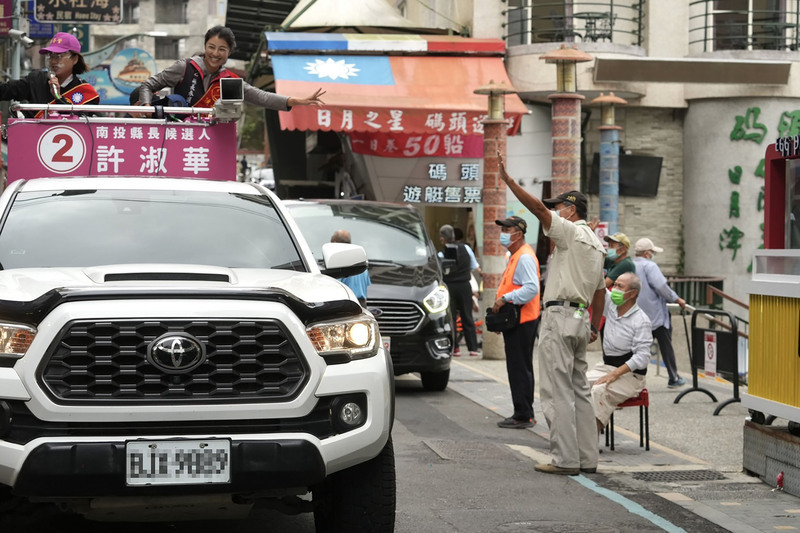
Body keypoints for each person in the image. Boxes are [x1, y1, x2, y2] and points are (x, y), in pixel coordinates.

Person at [498, 152, 605, 476]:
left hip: (559, 317)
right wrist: (595, 326)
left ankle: (565, 459)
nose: (555, 212)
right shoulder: (597, 245)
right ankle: (588, 458)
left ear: (571, 210)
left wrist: (509, 181)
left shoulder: (570, 233)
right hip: (581, 318)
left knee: (557, 390)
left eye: (560, 207)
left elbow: (539, 210)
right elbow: (600, 291)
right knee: (581, 391)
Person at [137, 26, 325, 112]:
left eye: (222, 49)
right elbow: (147, 85)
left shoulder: (230, 81)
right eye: (211, 47)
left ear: (229, 52)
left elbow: (262, 97)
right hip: (178, 134)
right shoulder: (184, 67)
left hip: (210, 140)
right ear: (205, 46)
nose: (215, 53)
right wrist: (146, 106)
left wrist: (295, 101)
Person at [587, 272, 652, 437]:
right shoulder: (611, 305)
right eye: (614, 285)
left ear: (632, 293)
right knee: (578, 383)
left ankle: (589, 443)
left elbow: (642, 358)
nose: (614, 289)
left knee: (598, 390)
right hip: (607, 367)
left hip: (631, 376)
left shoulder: (641, 320)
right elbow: (599, 287)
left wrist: (614, 374)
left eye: (620, 286)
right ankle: (577, 436)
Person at [492, 216, 541, 429]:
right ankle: (523, 411)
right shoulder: (515, 255)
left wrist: (505, 299)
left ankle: (523, 414)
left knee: (519, 367)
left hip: (523, 320)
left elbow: (531, 288)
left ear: (518, 233)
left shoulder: (525, 257)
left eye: (507, 229)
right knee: (519, 367)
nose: (503, 233)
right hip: (517, 320)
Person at [0, 32, 99, 118]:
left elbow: (82, 123)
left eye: (59, 56)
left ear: (75, 59)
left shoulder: (85, 93)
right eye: (50, 56)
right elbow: (6, 90)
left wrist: (58, 97)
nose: (53, 61)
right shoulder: (36, 79)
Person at [633, 237, 688, 388]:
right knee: (666, 346)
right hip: (655, 314)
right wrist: (677, 299)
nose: (652, 255)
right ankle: (674, 377)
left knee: (638, 349)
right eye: (652, 252)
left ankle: (633, 380)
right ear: (647, 253)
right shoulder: (650, 266)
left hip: (638, 315)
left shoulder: (630, 265)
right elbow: (661, 286)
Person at [440, 224, 480, 358]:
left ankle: (454, 348)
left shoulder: (441, 254)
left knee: (450, 318)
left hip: (449, 287)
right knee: (467, 316)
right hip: (464, 286)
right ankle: (473, 348)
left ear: (442, 239)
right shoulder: (466, 248)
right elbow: (474, 267)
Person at [331, 230, 371, 306]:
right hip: (361, 306)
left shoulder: (337, 262)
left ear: (334, 243)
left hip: (346, 307)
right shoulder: (361, 262)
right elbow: (365, 291)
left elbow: (334, 291)